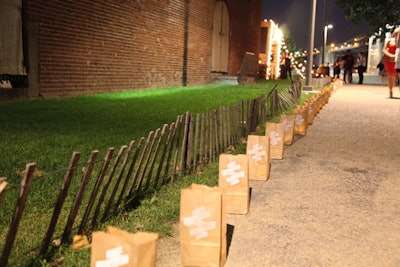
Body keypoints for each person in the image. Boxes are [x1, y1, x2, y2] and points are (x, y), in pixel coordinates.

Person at [382, 28, 399, 98]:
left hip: (397, 60)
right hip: (389, 60)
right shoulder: (389, 41)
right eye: (397, 33)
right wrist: (390, 55)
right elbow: (384, 50)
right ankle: (390, 90)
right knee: (390, 75)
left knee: (395, 76)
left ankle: (392, 87)